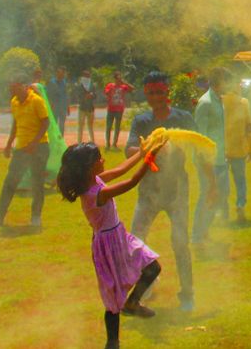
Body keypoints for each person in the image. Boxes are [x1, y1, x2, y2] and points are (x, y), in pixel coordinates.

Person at [57, 140, 166, 349]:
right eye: (99, 158)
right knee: (113, 296)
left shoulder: (94, 181)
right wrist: (148, 159)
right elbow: (132, 181)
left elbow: (121, 169)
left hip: (120, 237)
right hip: (108, 246)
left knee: (152, 267)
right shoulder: (95, 193)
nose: (103, 160)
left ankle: (132, 303)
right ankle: (112, 342)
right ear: (90, 166)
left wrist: (141, 153)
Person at [125, 71, 197, 312]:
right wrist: (148, 148)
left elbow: (197, 143)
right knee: (137, 241)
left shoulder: (183, 117)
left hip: (176, 191)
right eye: (151, 93)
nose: (156, 97)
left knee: (180, 242)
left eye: (160, 92)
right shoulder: (142, 121)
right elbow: (129, 149)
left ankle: (187, 294)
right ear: (146, 95)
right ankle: (145, 287)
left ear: (167, 93)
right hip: (149, 192)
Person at [0, 74, 50, 228]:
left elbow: (46, 122)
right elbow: (15, 124)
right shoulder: (14, 102)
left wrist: (34, 143)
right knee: (10, 181)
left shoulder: (37, 100)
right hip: (21, 148)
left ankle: (36, 218)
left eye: (15, 87)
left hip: (40, 147)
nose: (13, 90)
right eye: (11, 88)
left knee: (37, 183)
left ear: (24, 86)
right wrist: (9, 144)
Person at [192, 68, 225, 243]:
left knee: (216, 196)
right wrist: (206, 162)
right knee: (207, 196)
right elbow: (200, 136)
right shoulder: (205, 103)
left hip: (219, 158)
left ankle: (203, 232)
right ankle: (198, 236)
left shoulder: (219, 100)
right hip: (208, 161)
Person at [221, 71, 251, 222]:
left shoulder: (220, 102)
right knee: (240, 181)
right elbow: (249, 126)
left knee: (223, 182)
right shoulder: (243, 102)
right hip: (239, 149)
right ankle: (240, 205)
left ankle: (223, 210)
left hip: (222, 149)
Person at [104, 71, 134, 151]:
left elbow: (132, 88)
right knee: (108, 127)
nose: (119, 80)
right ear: (115, 79)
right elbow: (106, 93)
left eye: (120, 78)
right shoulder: (110, 86)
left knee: (117, 127)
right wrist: (111, 91)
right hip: (111, 109)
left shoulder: (123, 87)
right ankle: (107, 144)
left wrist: (124, 82)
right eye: (117, 78)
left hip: (119, 109)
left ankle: (115, 144)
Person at [48, 66, 70, 137]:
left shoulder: (64, 82)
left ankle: (61, 139)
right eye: (61, 73)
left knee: (62, 125)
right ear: (57, 73)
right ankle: (54, 138)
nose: (63, 75)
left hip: (63, 106)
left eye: (64, 73)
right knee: (54, 124)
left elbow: (66, 94)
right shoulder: (52, 82)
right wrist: (51, 105)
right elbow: (49, 95)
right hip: (55, 107)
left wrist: (68, 106)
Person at [76, 69, 97, 143]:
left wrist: (91, 95)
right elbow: (78, 96)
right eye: (86, 76)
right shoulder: (80, 85)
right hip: (82, 108)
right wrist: (85, 96)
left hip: (90, 108)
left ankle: (92, 141)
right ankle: (79, 142)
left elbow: (95, 95)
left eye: (88, 76)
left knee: (90, 125)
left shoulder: (92, 85)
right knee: (81, 126)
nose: (87, 77)